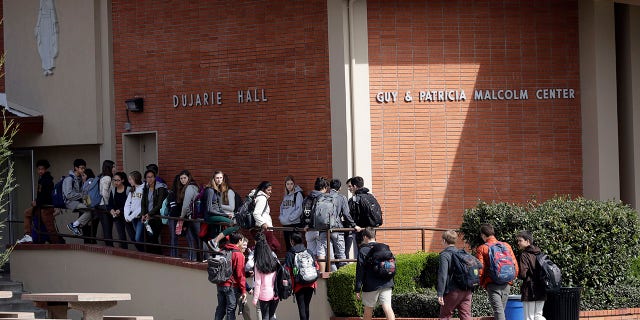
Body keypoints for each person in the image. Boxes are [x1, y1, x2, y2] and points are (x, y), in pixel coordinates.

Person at [302, 177, 348, 272]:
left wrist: (306, 224)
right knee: (322, 253)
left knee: (310, 253)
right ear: (324, 187)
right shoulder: (323, 197)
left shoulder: (307, 197)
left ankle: (310, 273)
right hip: (320, 229)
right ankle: (321, 274)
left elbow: (303, 213)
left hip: (308, 230)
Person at [476, 223, 519, 320]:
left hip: (492, 283)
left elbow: (480, 270)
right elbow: (515, 265)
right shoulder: (506, 246)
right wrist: (511, 278)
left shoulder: (482, 248)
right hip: (506, 283)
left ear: (483, 235)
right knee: (500, 311)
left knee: (498, 312)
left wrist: (482, 283)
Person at [354, 227, 395, 320]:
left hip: (371, 285)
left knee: (368, 309)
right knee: (388, 308)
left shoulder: (363, 250)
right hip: (387, 283)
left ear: (365, 237)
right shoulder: (384, 247)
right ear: (374, 236)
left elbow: (360, 270)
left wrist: (357, 289)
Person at [17, 159, 61, 244]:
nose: (40, 171)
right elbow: (41, 195)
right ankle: (28, 235)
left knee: (50, 228)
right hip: (40, 207)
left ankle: (57, 244)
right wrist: (36, 201)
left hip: (46, 208)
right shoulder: (41, 179)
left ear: (45, 169)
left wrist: (37, 202)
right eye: (39, 169)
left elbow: (47, 196)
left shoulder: (47, 180)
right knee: (27, 213)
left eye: (42, 169)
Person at [437, 230, 472, 320]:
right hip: (467, 290)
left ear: (444, 241)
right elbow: (479, 265)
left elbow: (442, 275)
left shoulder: (445, 255)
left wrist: (440, 293)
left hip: (453, 291)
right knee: (466, 316)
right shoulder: (463, 253)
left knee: (445, 316)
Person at [285, 232, 319, 320]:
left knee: (301, 307)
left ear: (292, 241)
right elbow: (316, 266)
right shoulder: (308, 251)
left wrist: (291, 286)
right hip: (311, 282)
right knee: (306, 306)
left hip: (298, 284)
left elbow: (288, 271)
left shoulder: (290, 254)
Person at [214, 231, 247, 320]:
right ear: (239, 241)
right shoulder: (238, 254)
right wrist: (244, 290)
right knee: (230, 309)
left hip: (220, 283)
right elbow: (240, 274)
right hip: (231, 286)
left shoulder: (222, 250)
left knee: (220, 308)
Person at [205, 171, 240, 251]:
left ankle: (214, 253)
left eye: (221, 178)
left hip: (217, 215)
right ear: (213, 178)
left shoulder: (218, 190)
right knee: (236, 225)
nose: (219, 180)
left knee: (215, 233)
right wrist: (224, 215)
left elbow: (219, 208)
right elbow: (209, 209)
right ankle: (214, 241)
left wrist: (226, 214)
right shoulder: (210, 190)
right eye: (217, 178)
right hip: (210, 216)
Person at [516, 230, 547, 320]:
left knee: (529, 317)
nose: (518, 243)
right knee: (538, 315)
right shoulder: (540, 253)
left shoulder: (524, 255)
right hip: (542, 288)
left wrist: (518, 274)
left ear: (528, 241)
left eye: (520, 240)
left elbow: (523, 274)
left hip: (530, 289)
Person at [330, 178, 358, 267]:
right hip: (337, 227)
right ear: (340, 188)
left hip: (324, 229)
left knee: (329, 255)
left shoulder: (324, 196)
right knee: (341, 254)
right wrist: (354, 225)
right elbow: (346, 214)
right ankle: (342, 275)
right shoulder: (342, 198)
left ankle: (332, 273)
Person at [252, 232, 280, 320]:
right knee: (272, 316)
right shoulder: (274, 260)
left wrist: (255, 298)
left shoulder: (258, 264)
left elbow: (258, 283)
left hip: (264, 295)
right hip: (276, 293)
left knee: (265, 316)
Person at [141, 169, 168, 254]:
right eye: (148, 177)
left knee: (153, 237)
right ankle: (152, 256)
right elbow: (143, 203)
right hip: (148, 217)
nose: (150, 179)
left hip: (157, 217)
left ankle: (159, 256)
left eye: (152, 177)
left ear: (155, 177)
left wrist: (149, 214)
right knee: (149, 238)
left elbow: (159, 204)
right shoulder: (146, 188)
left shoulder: (160, 188)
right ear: (145, 178)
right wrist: (143, 214)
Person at [176, 170, 201, 261]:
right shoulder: (194, 186)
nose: (182, 180)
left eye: (184, 178)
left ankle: (201, 258)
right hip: (196, 216)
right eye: (181, 178)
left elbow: (186, 205)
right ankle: (200, 257)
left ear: (188, 177)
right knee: (198, 238)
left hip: (194, 216)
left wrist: (181, 216)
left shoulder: (190, 187)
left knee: (197, 238)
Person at [250, 181, 280, 252]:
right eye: (268, 190)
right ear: (263, 189)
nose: (270, 192)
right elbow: (256, 213)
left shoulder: (256, 197)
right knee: (268, 249)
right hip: (264, 228)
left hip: (257, 228)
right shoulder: (262, 198)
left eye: (271, 190)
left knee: (274, 247)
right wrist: (263, 223)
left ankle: (256, 252)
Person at [279, 176, 304, 252]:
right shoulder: (285, 196)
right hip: (286, 224)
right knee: (288, 245)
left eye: (291, 184)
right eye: (287, 184)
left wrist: (290, 218)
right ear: (285, 185)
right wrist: (282, 218)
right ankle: (290, 262)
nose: (289, 186)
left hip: (294, 224)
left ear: (294, 184)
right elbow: (281, 209)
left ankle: (296, 262)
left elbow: (299, 209)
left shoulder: (298, 194)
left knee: (296, 245)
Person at [64, 159, 87, 236]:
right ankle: (74, 225)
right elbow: (68, 195)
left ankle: (75, 225)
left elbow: (84, 192)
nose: (83, 170)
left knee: (92, 210)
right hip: (70, 202)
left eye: (84, 168)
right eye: (81, 168)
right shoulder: (69, 179)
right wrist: (81, 195)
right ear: (76, 168)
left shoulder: (80, 179)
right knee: (91, 210)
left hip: (78, 202)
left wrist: (84, 182)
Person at [107, 172, 129, 249]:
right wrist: (111, 209)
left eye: (118, 180)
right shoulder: (113, 191)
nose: (116, 182)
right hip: (117, 216)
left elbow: (130, 204)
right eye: (114, 180)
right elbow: (109, 204)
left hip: (127, 216)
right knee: (121, 236)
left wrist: (121, 209)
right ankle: (124, 252)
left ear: (122, 180)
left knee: (132, 235)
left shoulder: (128, 189)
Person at [124, 171, 145, 252]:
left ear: (135, 179)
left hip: (140, 217)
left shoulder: (144, 188)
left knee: (138, 238)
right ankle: (143, 253)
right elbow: (127, 204)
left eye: (130, 179)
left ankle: (144, 253)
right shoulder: (132, 189)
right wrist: (127, 216)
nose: (129, 181)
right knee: (139, 237)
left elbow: (142, 206)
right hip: (133, 218)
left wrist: (131, 216)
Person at [98, 160, 116, 246]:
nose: (114, 169)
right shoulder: (107, 178)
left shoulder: (103, 177)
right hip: (104, 206)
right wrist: (109, 205)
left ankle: (109, 246)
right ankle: (110, 247)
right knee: (107, 229)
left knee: (107, 228)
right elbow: (104, 192)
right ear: (109, 168)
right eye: (113, 167)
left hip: (102, 205)